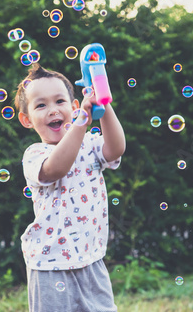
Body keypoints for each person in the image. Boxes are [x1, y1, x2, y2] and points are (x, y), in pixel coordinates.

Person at [14, 63, 126, 312]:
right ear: (27, 120)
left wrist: (103, 104)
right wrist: (81, 123)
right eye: (41, 105)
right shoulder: (35, 154)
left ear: (74, 106)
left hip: (91, 259)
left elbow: (116, 148)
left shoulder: (89, 143)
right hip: (50, 265)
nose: (52, 110)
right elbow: (56, 168)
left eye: (59, 101)